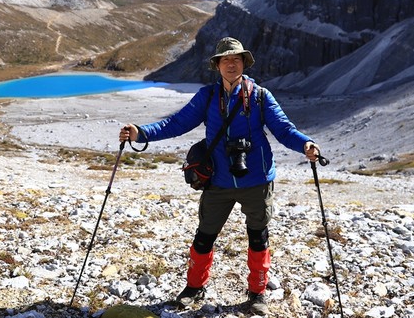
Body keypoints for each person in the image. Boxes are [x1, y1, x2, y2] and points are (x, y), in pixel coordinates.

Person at [118, 37, 320, 316]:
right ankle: (194, 287)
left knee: (258, 238)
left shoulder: (261, 96)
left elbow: (284, 129)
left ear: (244, 63)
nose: (231, 64)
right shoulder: (208, 96)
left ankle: (257, 293)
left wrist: (305, 144)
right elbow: (177, 123)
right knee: (204, 237)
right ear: (217, 65)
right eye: (226, 59)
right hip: (218, 181)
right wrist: (141, 133)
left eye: (236, 59)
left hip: (257, 180)